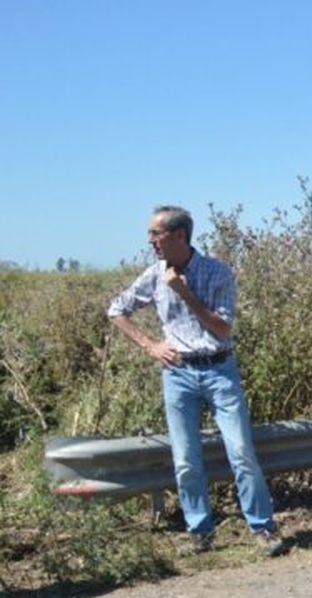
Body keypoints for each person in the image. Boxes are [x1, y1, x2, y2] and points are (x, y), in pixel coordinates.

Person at [107, 205, 285, 557]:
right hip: (178, 374)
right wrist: (150, 346)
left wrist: (186, 293)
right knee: (186, 458)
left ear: (179, 236)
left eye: (156, 234)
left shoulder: (217, 272)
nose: (150, 241)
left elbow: (223, 328)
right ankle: (200, 531)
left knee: (241, 452)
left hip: (220, 369)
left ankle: (263, 528)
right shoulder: (153, 274)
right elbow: (116, 310)